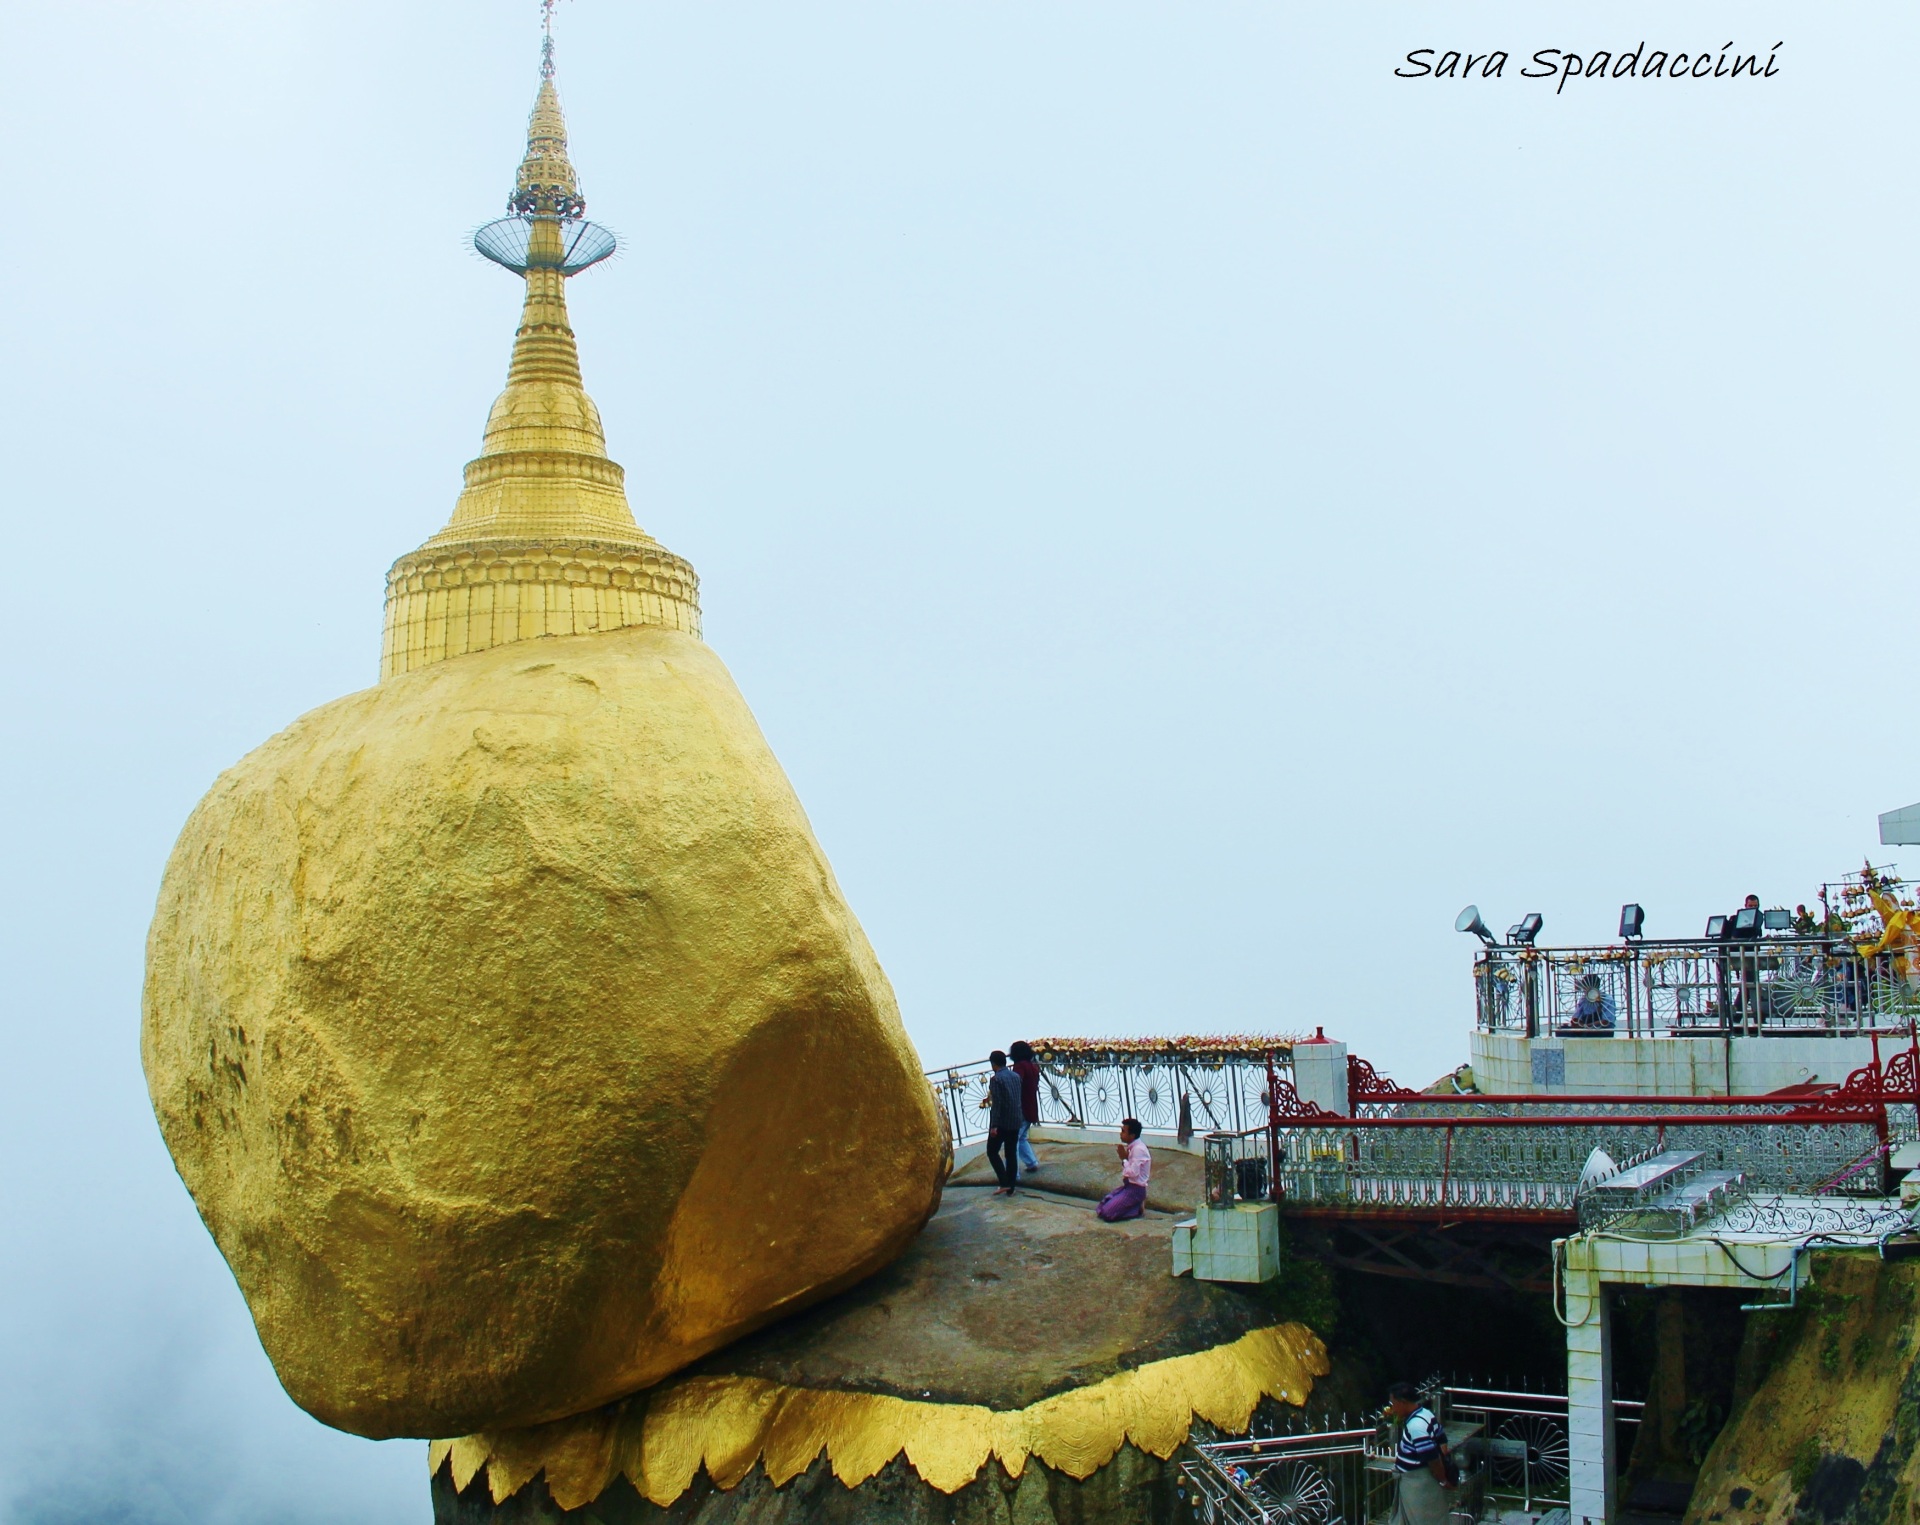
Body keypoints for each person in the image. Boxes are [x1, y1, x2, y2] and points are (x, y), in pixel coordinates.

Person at [1386, 1381, 1454, 1525]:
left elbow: (1433, 1458)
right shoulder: (1426, 1414)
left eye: (1393, 1404)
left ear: (1402, 1402)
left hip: (1419, 1484)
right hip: (1415, 1481)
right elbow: (1442, 1441)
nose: (1392, 1409)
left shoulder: (1416, 1426)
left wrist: (1442, 1479)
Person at [985, 1050, 1024, 1195]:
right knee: (1011, 1153)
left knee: (992, 1151)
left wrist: (994, 1126)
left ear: (993, 1064)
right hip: (1016, 1119)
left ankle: (1004, 1182)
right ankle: (1011, 1187)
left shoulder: (996, 1080)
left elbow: (997, 1104)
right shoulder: (1016, 1076)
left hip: (1002, 1122)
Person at [1097, 1118, 1151, 1222]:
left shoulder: (1138, 1150)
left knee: (1108, 1214)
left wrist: (1124, 1159)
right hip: (1129, 1186)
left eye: (1123, 1131)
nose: (1120, 1134)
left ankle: (1136, 1209)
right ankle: (1132, 1205)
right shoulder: (1133, 1148)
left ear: (1132, 1135)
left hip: (1136, 1189)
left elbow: (1133, 1173)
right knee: (1102, 1206)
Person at [1009, 1041, 1043, 1173]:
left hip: (1021, 1107)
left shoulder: (1020, 1067)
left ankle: (1012, 1173)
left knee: (1013, 1140)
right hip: (1031, 1106)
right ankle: (1031, 1162)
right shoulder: (1033, 1066)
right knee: (1021, 1137)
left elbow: (1016, 1083)